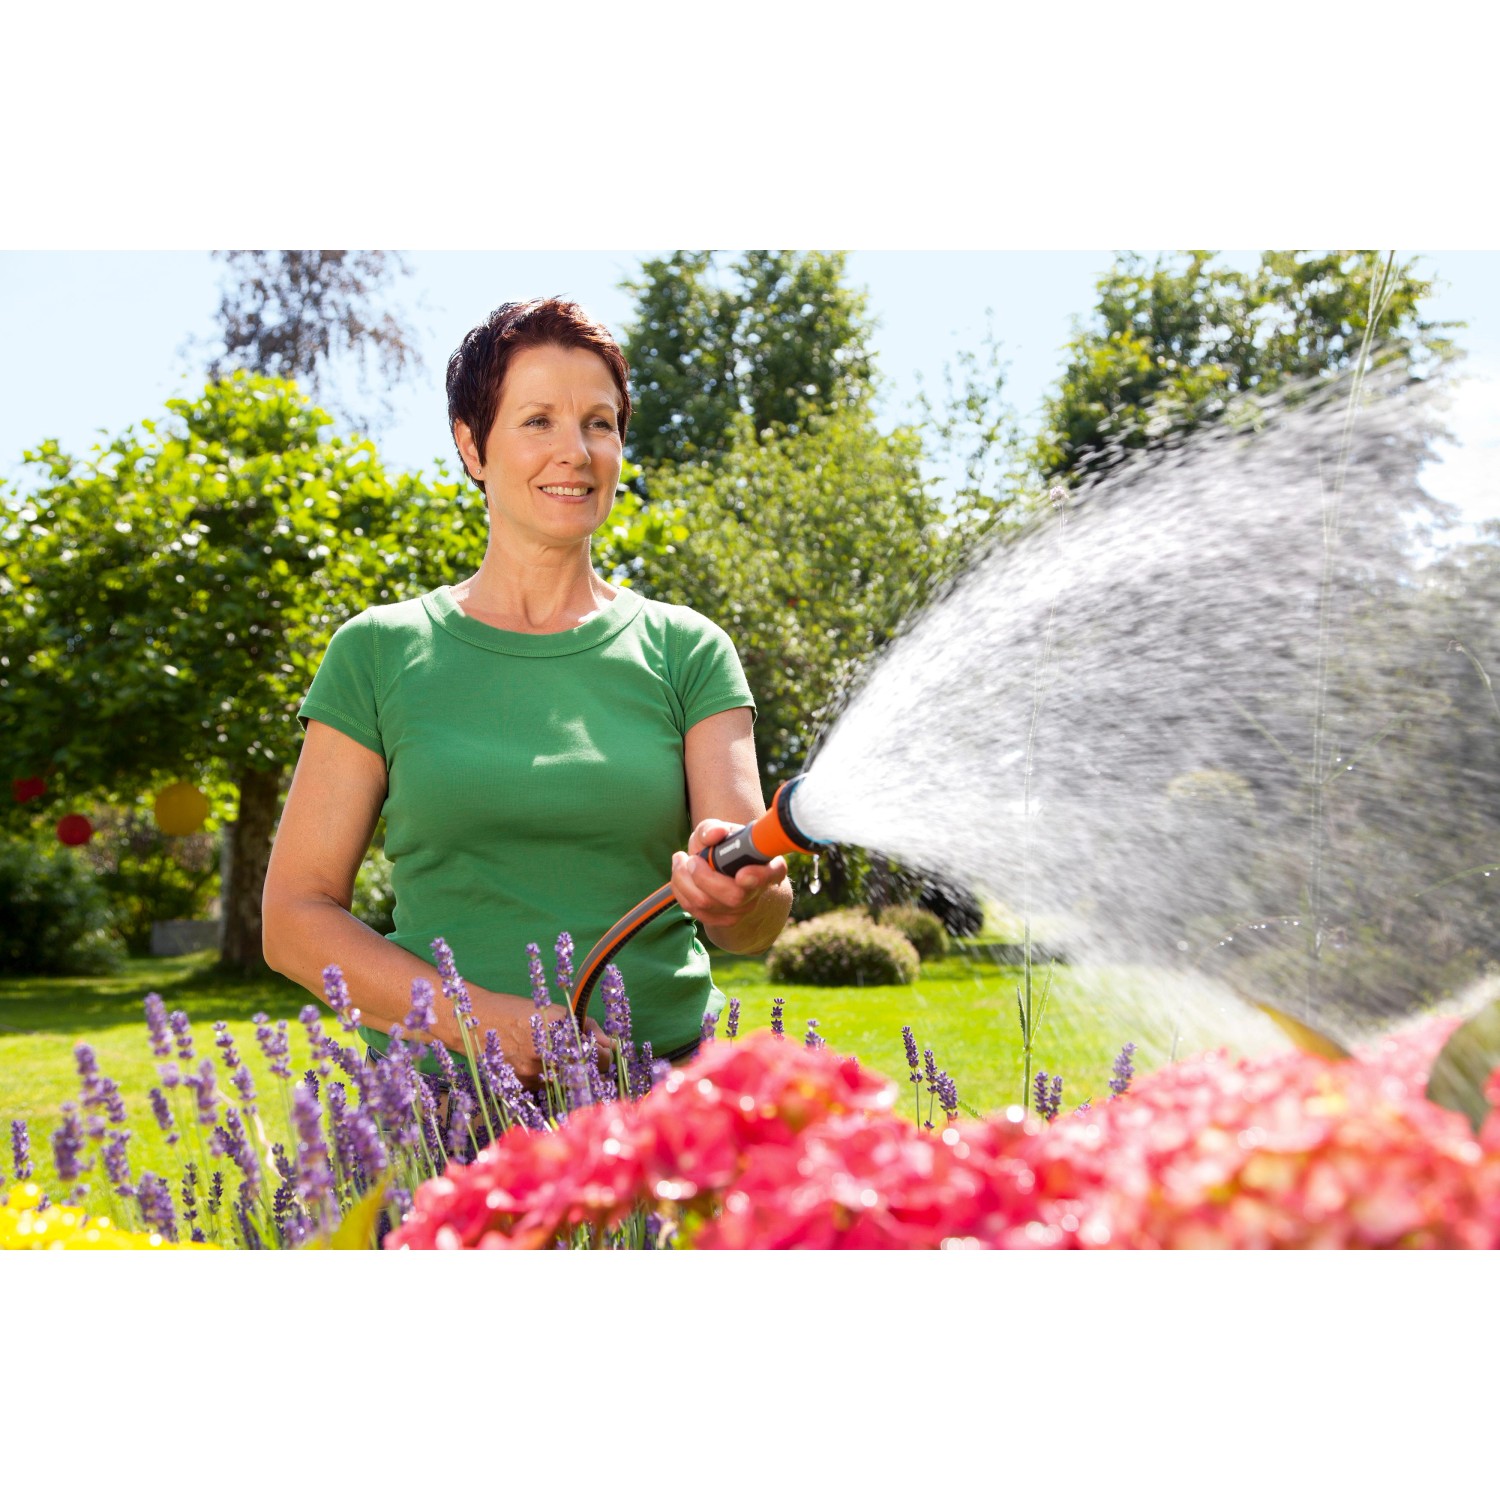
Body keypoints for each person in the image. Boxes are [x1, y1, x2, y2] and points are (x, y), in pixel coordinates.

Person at [262, 298, 793, 1088]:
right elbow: (294, 921)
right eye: (537, 420)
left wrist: (739, 893)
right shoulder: (377, 652)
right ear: (472, 446)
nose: (575, 452)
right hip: (446, 1108)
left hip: (662, 1101)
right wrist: (481, 1022)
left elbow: (752, 925)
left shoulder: (687, 650)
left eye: (601, 423)